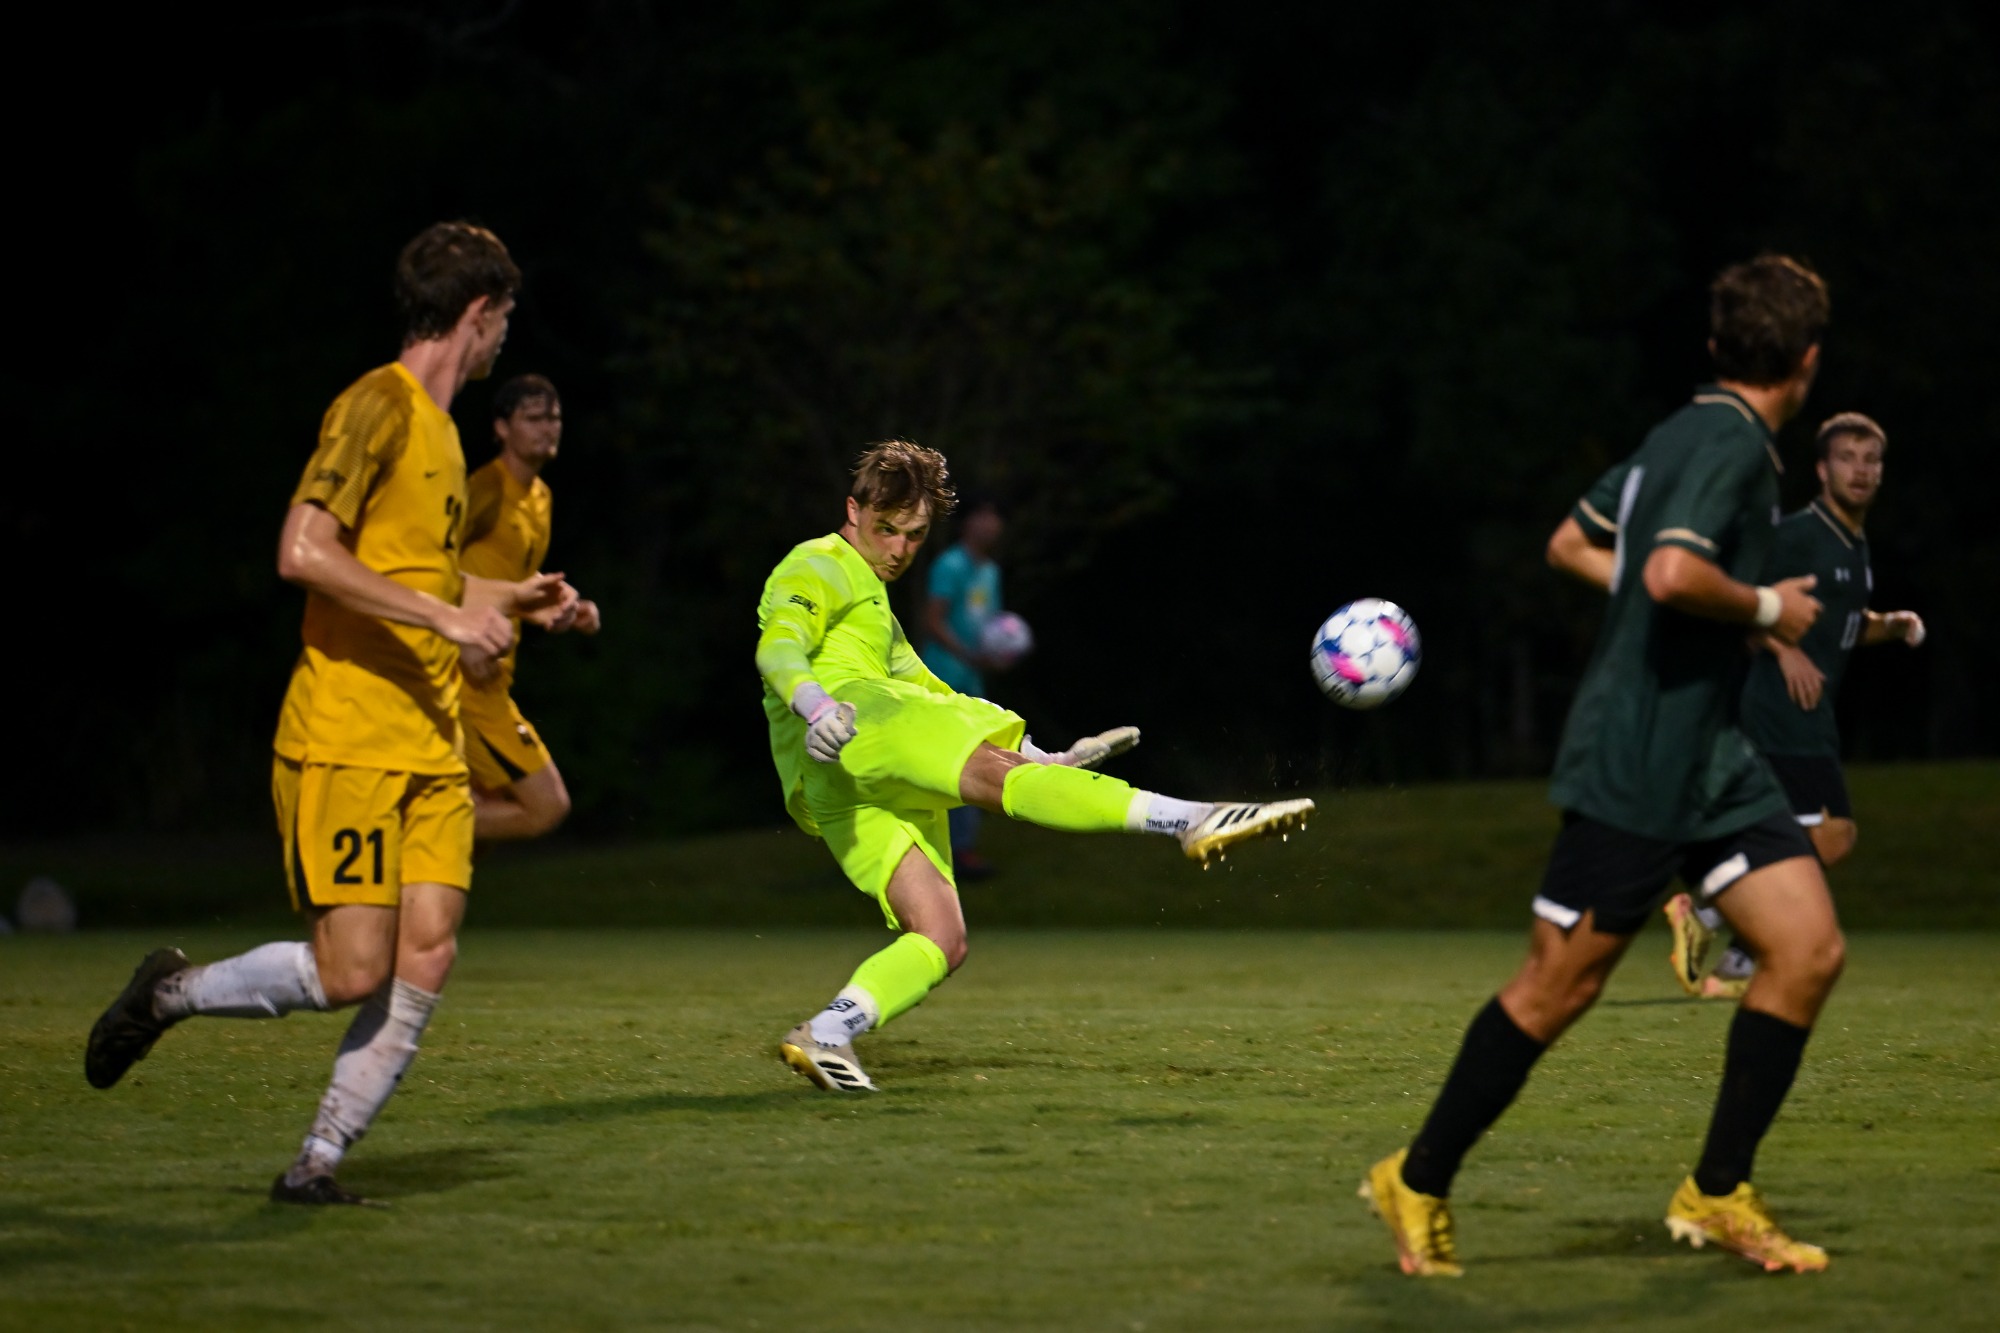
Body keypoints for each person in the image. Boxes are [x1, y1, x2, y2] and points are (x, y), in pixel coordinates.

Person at [1363, 254, 1842, 1276]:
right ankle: (1416, 1175)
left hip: (1712, 759)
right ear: (1807, 360)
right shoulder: (1729, 445)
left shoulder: (1680, 432)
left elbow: (1573, 543)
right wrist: (1764, 606)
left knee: (1806, 949)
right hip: (1635, 762)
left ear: (1716, 346)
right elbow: (1668, 571)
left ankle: (1716, 1191)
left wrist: (1711, 609)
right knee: (1556, 989)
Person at [84, 221, 573, 1205]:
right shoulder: (375, 406)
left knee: (427, 951)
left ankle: (317, 1161)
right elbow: (303, 551)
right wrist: (449, 614)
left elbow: (418, 577)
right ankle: (171, 991)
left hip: (431, 739)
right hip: (348, 732)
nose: (505, 337)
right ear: (478, 312)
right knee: (352, 970)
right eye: (505, 318)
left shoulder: (443, 433)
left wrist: (515, 600)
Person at [757, 439, 1312, 1093]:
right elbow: (779, 647)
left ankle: (825, 1033)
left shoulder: (876, 608)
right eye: (887, 529)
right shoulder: (818, 563)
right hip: (856, 723)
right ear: (853, 510)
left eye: (915, 534)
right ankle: (1190, 819)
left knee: (941, 936)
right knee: (995, 783)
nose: (901, 549)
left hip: (838, 786)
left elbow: (936, 693)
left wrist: (1041, 756)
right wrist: (819, 705)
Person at [1665, 411, 1925, 999]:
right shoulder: (1799, 535)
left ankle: (1728, 948)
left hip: (1810, 712)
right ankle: (1711, 922)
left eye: (1871, 460)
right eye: (1847, 458)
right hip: (1780, 709)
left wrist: (1890, 625)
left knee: (1794, 840)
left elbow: (1840, 625)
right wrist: (1785, 652)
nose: (1860, 470)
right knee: (1831, 838)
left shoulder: (1853, 545)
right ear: (1822, 470)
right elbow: (1736, 599)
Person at [459, 374, 602, 841]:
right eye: (533, 418)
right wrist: (460, 636)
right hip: (465, 685)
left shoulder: (540, 498)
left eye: (554, 417)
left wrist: (567, 604)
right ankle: (410, 828)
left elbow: (510, 579)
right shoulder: (485, 489)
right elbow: (429, 566)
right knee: (545, 806)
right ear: (502, 428)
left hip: (496, 680)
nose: (547, 427)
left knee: (480, 816)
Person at [921, 495, 1009, 877]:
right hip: (941, 680)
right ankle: (938, 848)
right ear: (967, 522)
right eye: (982, 514)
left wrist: (998, 651)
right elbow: (933, 620)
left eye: (995, 516)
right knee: (941, 764)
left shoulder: (990, 571)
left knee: (974, 760)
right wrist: (968, 654)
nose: (990, 523)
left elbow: (991, 627)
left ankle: (960, 849)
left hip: (973, 683)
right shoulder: (950, 565)